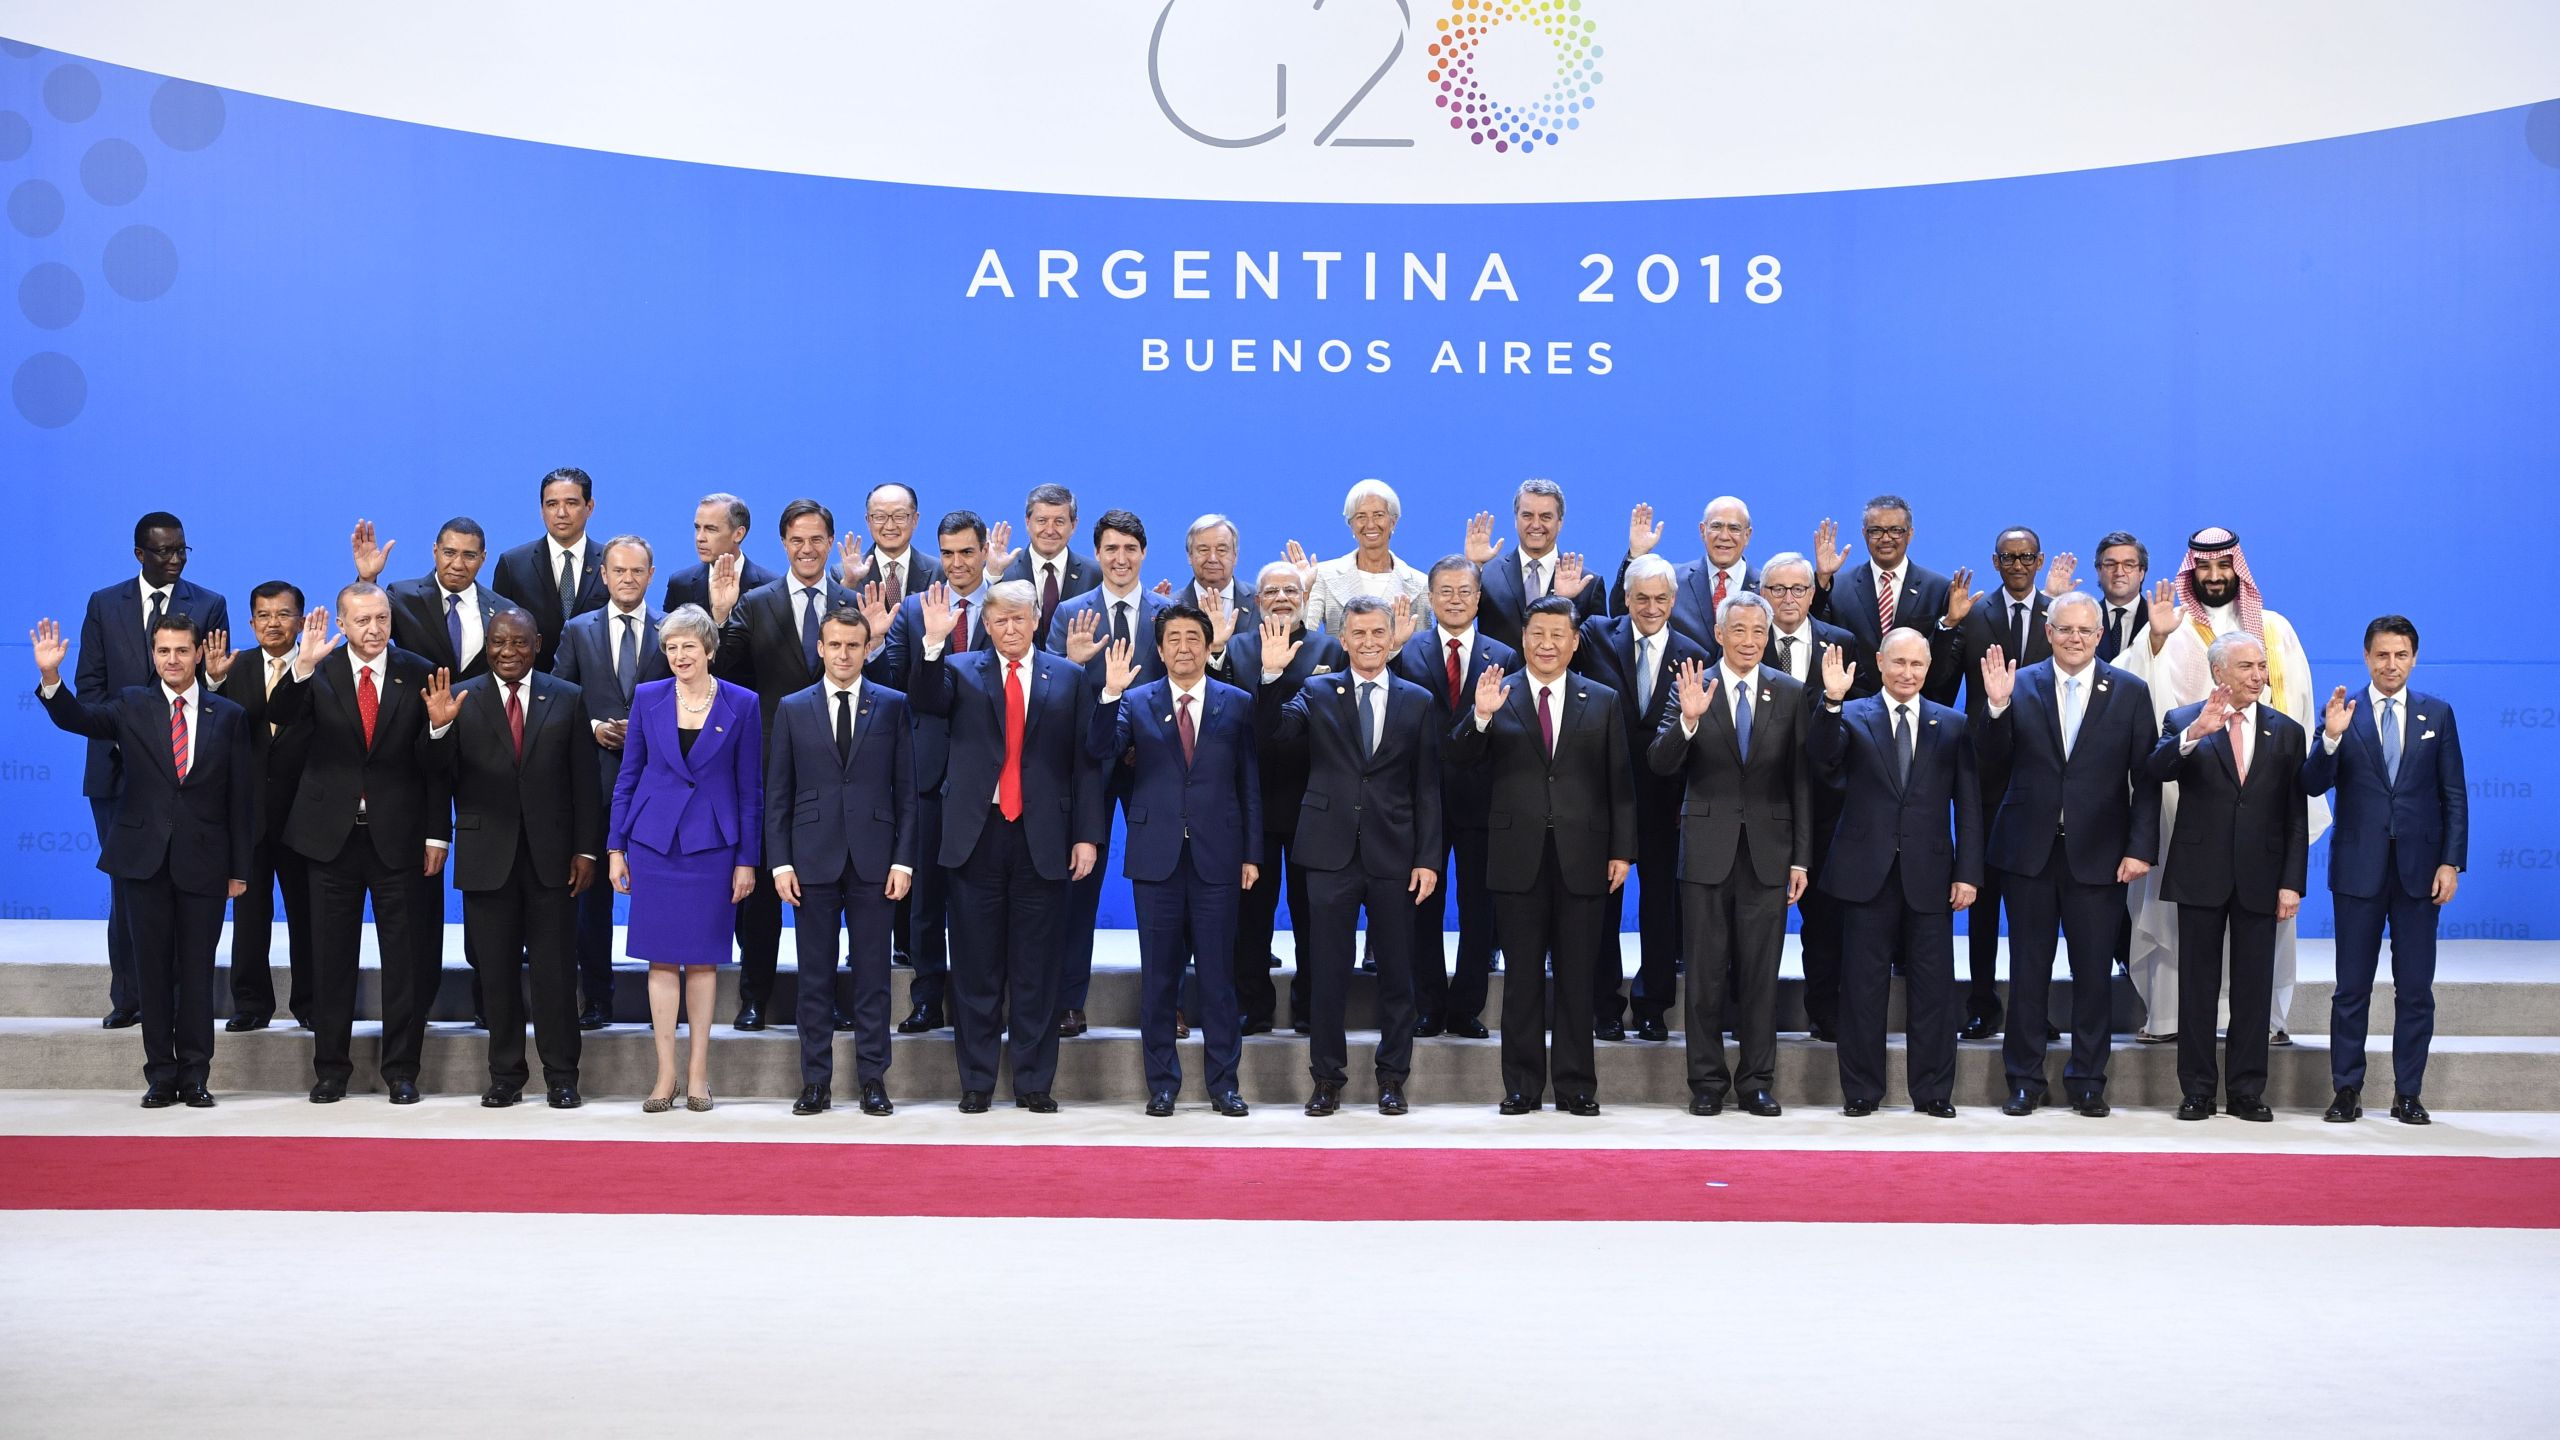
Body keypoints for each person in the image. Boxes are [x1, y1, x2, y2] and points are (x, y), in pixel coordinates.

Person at [34, 613, 252, 1108]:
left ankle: (196, 1076)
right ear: (153, 656)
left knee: (197, 972)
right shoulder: (131, 704)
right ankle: (160, 1076)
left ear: (198, 654)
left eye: (181, 650)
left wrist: (239, 869)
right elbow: (79, 719)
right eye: (163, 651)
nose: (172, 660)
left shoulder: (230, 715)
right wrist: (52, 679)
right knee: (151, 971)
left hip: (205, 863)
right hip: (141, 863)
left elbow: (241, 800)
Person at [2121, 527, 2326, 1046]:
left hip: (2262, 802)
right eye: (2204, 568)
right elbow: (2129, 688)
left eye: (2224, 566)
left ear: (2239, 570)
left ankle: (2266, 1023)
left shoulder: (2274, 629)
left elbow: (2297, 705)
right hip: (2188, 801)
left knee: (2263, 922)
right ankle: (2170, 1017)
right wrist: (2155, 639)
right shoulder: (2172, 625)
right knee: (2187, 926)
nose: (2214, 577)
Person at [907, 579, 1104, 1113]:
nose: (1010, 629)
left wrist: (1087, 835)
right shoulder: (958, 669)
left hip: (1044, 838)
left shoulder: (1068, 676)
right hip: (976, 835)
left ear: (1037, 620)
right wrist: (932, 644)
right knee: (975, 968)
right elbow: (925, 703)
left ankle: (1034, 1083)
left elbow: (1086, 764)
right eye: (1000, 621)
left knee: (1037, 969)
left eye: (1020, 619)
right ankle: (976, 1082)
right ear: (987, 625)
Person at [1445, 596, 1635, 1115]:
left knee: (1578, 977)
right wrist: (1479, 718)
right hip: (1516, 855)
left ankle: (1576, 1086)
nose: (1546, 644)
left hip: (1585, 855)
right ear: (1522, 639)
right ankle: (1522, 1086)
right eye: (1537, 634)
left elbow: (1620, 783)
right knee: (1522, 977)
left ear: (1575, 643)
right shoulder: (1493, 692)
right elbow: (1459, 760)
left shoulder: (1602, 699)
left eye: (1558, 635)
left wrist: (1623, 850)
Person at [1253, 597, 1441, 1117]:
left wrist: (1427, 859)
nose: (1369, 642)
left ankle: (1392, 1079)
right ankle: (1327, 1080)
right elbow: (1274, 736)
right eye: (1358, 634)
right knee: (1328, 974)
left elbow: (1427, 788)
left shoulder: (1418, 699)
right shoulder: (1314, 691)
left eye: (1378, 632)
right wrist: (1271, 678)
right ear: (1343, 638)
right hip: (1328, 854)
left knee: (1398, 976)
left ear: (1392, 636)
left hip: (1395, 856)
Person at [1975, 592, 2160, 1119]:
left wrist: (2139, 848)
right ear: (2048, 632)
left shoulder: (2128, 691)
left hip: (2100, 857)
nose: (2075, 638)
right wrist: (1994, 709)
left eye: (2085, 630)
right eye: (2065, 629)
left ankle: (2087, 1081)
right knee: (2028, 972)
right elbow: (1988, 766)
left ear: (2100, 635)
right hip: (2027, 855)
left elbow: (2144, 780)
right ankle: (2024, 1081)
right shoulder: (2018, 683)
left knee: (2093, 975)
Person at [264, 588, 451, 1104]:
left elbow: (438, 768)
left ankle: (402, 1071)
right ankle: (330, 1071)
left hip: (403, 839)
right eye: (362, 619)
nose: (374, 628)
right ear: (342, 624)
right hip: (329, 840)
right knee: (330, 960)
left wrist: (439, 830)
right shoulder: (316, 669)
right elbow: (277, 715)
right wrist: (300, 666)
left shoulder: (419, 671)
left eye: (382, 618)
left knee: (407, 961)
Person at [1089, 605, 1260, 1116]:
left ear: (1208, 647)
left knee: (1216, 977)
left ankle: (1224, 1085)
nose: (1183, 647)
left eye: (1193, 638)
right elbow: (1099, 749)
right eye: (1173, 639)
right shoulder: (1136, 702)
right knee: (1160, 977)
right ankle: (1162, 1084)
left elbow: (1248, 784)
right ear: (1159, 649)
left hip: (1218, 857)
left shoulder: (1238, 702)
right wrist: (1109, 694)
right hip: (1156, 858)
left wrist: (1251, 853)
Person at [1650, 592, 1812, 1117]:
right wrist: (1689, 721)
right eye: (1738, 630)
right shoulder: (1693, 684)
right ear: (1719, 634)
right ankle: (1706, 1083)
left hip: (1768, 854)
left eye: (1758, 632)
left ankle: (1757, 1082)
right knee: (1704, 975)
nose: (1749, 641)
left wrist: (1800, 859)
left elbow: (1800, 783)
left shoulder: (1788, 692)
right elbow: (1660, 763)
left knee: (1761, 975)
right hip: (1705, 853)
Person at [1806, 630, 1980, 1117]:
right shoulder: (1853, 714)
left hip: (1930, 876)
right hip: (1865, 874)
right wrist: (1833, 700)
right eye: (1898, 662)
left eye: (1917, 665)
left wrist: (1967, 871)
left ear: (1928, 668)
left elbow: (1967, 805)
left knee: (1934, 989)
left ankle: (1933, 1092)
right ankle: (1861, 1090)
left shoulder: (1952, 722)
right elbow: (1822, 759)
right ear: (1880, 663)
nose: (1908, 673)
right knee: (1861, 988)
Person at [2301, 616, 2467, 1125]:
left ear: (2414, 658)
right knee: (2350, 989)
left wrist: (2451, 862)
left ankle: (2408, 1093)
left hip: (2420, 873)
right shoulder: (2342, 712)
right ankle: (2346, 1090)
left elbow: (2453, 796)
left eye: (2400, 655)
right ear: (2366, 657)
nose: (2390, 664)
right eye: (2381, 655)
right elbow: (2311, 783)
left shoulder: (2436, 713)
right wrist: (2329, 739)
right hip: (2358, 871)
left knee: (2415, 990)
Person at [438, 608, 603, 1109]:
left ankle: (561, 1077)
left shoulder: (568, 697)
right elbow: (438, 778)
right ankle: (506, 1076)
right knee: (496, 974)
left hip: (553, 861)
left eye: (519, 643)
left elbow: (585, 784)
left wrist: (585, 848)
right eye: (497, 642)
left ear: (537, 644)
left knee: (555, 973)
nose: (507, 652)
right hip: (487, 858)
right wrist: (439, 730)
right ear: (486, 644)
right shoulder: (461, 699)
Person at [2145, 633, 2309, 1122]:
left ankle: (2245, 1092)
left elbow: (2294, 815)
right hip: (2201, 874)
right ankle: (2196, 1091)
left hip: (2262, 876)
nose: (2258, 675)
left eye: (2261, 666)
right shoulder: (2184, 720)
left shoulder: (2287, 731)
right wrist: (2195, 734)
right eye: (2246, 667)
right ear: (2220, 673)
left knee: (2254, 988)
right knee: (2196, 987)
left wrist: (2291, 881)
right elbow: (2155, 769)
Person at [75, 510, 230, 1028]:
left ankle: (183, 1000)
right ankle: (130, 996)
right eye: (163, 551)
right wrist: (135, 741)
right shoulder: (104, 604)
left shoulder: (209, 605)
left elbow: (213, 695)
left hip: (187, 779)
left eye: (182, 549)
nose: (174, 559)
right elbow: (90, 690)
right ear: (139, 553)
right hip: (117, 775)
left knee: (186, 887)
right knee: (129, 886)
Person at [608, 604, 762, 1112]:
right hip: (654, 845)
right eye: (670, 647)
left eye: (688, 647)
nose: (678, 656)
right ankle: (664, 1075)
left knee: (702, 960)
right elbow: (628, 777)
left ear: (710, 651)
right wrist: (616, 847)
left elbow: (749, 789)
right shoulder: (649, 697)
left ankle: (698, 1074)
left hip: (713, 849)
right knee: (660, 959)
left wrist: (747, 859)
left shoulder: (742, 703)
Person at [713, 498, 858, 1031]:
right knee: (762, 896)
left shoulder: (849, 600)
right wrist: (723, 615)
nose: (807, 549)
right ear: (783, 544)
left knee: (830, 892)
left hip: (836, 768)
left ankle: (831, 998)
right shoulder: (753, 601)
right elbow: (724, 674)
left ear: (831, 542)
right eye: (797, 540)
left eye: (817, 539)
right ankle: (755, 997)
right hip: (769, 766)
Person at [769, 606, 917, 1118]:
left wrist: (904, 861)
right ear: (821, 647)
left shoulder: (893, 705)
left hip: (876, 861)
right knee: (814, 977)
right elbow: (778, 794)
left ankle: (874, 1080)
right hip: (810, 862)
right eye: (834, 645)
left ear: (865, 648)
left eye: (853, 645)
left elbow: (908, 793)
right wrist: (780, 864)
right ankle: (815, 1083)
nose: (843, 654)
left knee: (873, 975)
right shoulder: (792, 707)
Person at [353, 514, 499, 1026]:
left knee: (487, 879)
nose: (457, 563)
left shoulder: (501, 610)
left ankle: (490, 995)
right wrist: (368, 580)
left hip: (485, 756)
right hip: (416, 753)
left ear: (483, 559)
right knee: (422, 880)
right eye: (449, 552)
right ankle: (424, 994)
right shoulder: (397, 595)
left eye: (469, 555)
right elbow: (364, 630)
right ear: (434, 552)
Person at [862, 511, 997, 1036]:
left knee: (977, 896)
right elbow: (890, 678)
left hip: (989, 772)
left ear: (985, 551)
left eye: (967, 552)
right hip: (926, 773)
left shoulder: (1009, 604)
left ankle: (974, 997)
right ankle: (926, 999)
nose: (957, 563)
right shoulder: (917, 608)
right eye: (948, 553)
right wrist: (875, 641)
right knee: (925, 898)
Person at [1046, 508, 1174, 1035]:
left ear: (1144, 554)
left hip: (1153, 766)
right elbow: (1050, 690)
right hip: (1088, 764)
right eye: (1111, 550)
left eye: (1130, 549)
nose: (1120, 559)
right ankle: (1070, 1000)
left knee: (1165, 886)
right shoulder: (1070, 613)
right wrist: (1076, 664)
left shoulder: (1169, 611)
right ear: (1096, 555)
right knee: (1080, 886)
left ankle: (1169, 1004)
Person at [1572, 553, 1709, 1041]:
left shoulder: (1695, 652)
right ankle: (1603, 1006)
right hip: (1601, 798)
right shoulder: (1593, 637)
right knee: (1602, 908)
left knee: (1660, 908)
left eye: (1661, 599)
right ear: (1625, 598)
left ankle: (1653, 1005)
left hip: (1664, 801)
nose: (1651, 608)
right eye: (1641, 598)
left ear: (1673, 601)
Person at [1217, 561, 1347, 1037]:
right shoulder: (1237, 647)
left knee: (1314, 914)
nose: (1282, 598)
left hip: (1313, 800)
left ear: (1303, 597)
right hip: (1251, 800)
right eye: (1271, 590)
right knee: (1251, 915)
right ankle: (1254, 1005)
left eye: (1291, 590)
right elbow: (1227, 714)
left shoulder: (1328, 647)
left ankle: (1311, 1007)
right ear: (1257, 601)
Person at [1948, 527, 2065, 1041]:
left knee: (2033, 906)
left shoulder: (2061, 616)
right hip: (1985, 771)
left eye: (2026, 557)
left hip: (2042, 772)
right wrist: (1948, 626)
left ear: (2038, 561)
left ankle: (2031, 1008)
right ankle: (1981, 1003)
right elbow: (1940, 681)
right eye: (2008, 557)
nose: (2018, 565)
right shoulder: (1973, 614)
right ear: (1995, 562)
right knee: (1984, 894)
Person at [1395, 554, 1518, 1037]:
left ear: (1479, 597)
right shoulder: (1407, 651)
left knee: (1479, 908)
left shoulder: (1503, 655)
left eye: (1465, 591)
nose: (1455, 599)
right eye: (1445, 591)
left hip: (1483, 800)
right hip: (1420, 800)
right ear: (1430, 598)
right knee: (1422, 905)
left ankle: (1466, 1007)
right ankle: (1427, 1004)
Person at [552, 535, 670, 1028]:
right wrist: (596, 726)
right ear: (603, 575)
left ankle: (665, 1004)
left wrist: (643, 732)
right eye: (618, 570)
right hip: (595, 783)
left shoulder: (672, 630)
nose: (627, 579)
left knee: (662, 893)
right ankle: (597, 998)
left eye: (636, 571)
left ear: (650, 574)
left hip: (660, 783)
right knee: (592, 899)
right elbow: (556, 700)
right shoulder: (578, 630)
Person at [1756, 550, 1871, 1042]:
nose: (1787, 599)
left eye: (1798, 589)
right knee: (1753, 919)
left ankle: (1826, 1011)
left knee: (1826, 920)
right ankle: (1744, 1015)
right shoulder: (1747, 641)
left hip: (1827, 806)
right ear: (1762, 594)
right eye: (1777, 590)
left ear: (1813, 593)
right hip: (1758, 801)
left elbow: (1859, 719)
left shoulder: (1841, 643)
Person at [212, 580, 312, 1031]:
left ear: (301, 620)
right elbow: (207, 731)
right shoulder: (231, 668)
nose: (274, 623)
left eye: (284, 614)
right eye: (265, 616)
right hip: (246, 816)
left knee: (308, 918)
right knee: (249, 918)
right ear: (251, 623)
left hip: (304, 817)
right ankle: (250, 1004)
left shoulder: (320, 669)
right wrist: (212, 681)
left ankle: (311, 1004)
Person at [1809, 494, 1963, 704]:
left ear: (1910, 534)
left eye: (1895, 530)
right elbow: (1815, 634)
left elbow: (1943, 671)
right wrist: (1823, 581)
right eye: (1876, 531)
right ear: (1864, 534)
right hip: (1853, 714)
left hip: (1916, 714)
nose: (1886, 538)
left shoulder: (1938, 589)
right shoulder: (1837, 588)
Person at [490, 466, 607, 672]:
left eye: (571, 503)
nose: (561, 513)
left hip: (597, 689)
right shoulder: (513, 564)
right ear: (542, 509)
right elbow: (500, 634)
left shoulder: (611, 562)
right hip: (534, 690)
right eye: (552, 504)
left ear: (590, 507)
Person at [1468, 479, 1606, 650]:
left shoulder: (1587, 584)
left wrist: (1563, 602)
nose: (1535, 525)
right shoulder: (1486, 574)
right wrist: (1472, 569)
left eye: (1545, 517)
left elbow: (1598, 654)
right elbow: (1454, 623)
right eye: (1527, 516)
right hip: (1498, 676)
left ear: (1560, 523)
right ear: (1515, 519)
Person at [1614, 495, 1757, 652]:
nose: (1724, 536)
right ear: (1702, 531)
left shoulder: (1768, 587)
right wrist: (1637, 555)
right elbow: (1621, 615)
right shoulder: (1671, 579)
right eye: (1716, 527)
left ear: (1747, 535)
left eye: (1734, 528)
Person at [1296, 478, 1430, 636]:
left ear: (1393, 522)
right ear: (1351, 525)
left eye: (1378, 515)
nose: (1371, 524)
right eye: (1361, 517)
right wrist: (1301, 593)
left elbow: (1422, 647)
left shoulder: (1419, 583)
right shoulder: (1324, 576)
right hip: (1339, 661)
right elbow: (1305, 636)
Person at [998, 482, 1099, 642]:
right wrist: (992, 575)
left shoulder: (1096, 575)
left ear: (1073, 525)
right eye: (1042, 521)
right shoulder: (1003, 573)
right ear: (1027, 522)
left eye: (1059, 521)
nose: (1050, 530)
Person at [662, 493, 778, 621]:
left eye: (711, 529)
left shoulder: (770, 587)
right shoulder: (680, 584)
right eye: (697, 528)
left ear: (738, 534)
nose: (700, 538)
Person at [1161, 514, 1257, 631]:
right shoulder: (1169, 606)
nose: (1212, 558)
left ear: (1235, 556)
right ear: (1190, 556)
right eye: (1203, 550)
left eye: (1221, 550)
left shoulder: (1259, 601)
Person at [858, 482, 942, 601]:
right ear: (868, 521)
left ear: (915, 520)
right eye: (880, 517)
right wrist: (850, 582)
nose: (890, 526)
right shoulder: (844, 575)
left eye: (899, 516)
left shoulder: (939, 571)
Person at [2091, 531, 2150, 663]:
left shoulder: (2156, 621)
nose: (2119, 572)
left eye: (2128, 565)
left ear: (2141, 572)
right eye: (2110, 564)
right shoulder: (2086, 619)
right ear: (2099, 571)